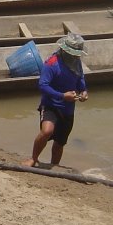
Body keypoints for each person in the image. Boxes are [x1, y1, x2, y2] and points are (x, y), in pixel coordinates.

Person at [23, 34, 88, 167]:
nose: (75, 57)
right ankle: (33, 158)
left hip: (68, 109)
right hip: (51, 105)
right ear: (64, 50)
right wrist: (62, 96)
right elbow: (43, 85)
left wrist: (84, 92)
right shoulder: (52, 63)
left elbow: (80, 80)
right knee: (47, 131)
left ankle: (54, 165)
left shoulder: (77, 63)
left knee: (60, 142)